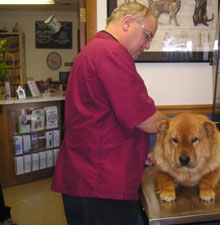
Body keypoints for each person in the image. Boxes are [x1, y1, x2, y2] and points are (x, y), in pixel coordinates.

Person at [51, 2, 167, 225]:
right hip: (99, 184)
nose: (148, 45)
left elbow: (105, 116)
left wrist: (136, 153)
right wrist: (184, 125)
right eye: (147, 35)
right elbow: (146, 120)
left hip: (90, 176)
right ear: (127, 22)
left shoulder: (95, 51)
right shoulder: (111, 54)